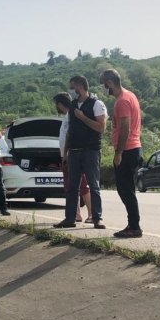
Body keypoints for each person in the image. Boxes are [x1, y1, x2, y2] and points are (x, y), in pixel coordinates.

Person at [54, 76, 106, 229]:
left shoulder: (97, 104)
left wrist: (83, 118)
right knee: (72, 187)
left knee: (93, 186)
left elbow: (101, 128)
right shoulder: (72, 107)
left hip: (91, 151)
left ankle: (97, 218)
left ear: (80, 86)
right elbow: (69, 131)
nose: (71, 91)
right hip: (74, 152)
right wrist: (65, 153)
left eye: (72, 87)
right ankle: (69, 218)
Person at [100, 69, 143, 238]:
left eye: (104, 84)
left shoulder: (122, 101)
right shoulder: (129, 95)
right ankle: (133, 224)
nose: (104, 88)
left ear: (110, 83)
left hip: (128, 150)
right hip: (132, 148)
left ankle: (134, 226)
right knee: (126, 189)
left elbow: (125, 127)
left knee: (125, 190)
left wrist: (119, 153)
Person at [53, 92, 92, 222]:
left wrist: (66, 154)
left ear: (59, 104)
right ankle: (77, 214)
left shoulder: (72, 115)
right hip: (67, 156)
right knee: (70, 186)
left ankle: (92, 214)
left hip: (72, 155)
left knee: (83, 185)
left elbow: (71, 136)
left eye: (56, 104)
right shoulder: (66, 116)